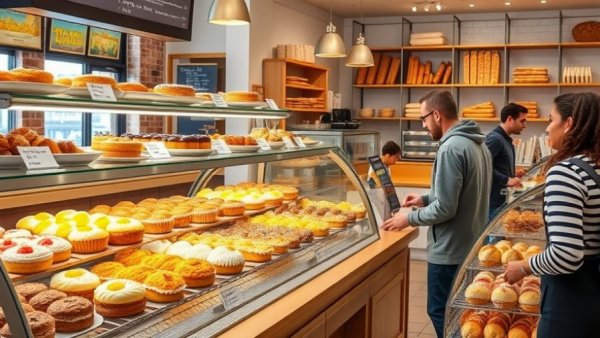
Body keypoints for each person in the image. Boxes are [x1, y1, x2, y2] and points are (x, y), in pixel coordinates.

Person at [382, 90, 492, 338]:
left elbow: (445, 208)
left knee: (441, 311)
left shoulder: (450, 148)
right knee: (462, 313)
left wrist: (407, 218)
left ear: (437, 114)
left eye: (423, 119)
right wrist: (424, 199)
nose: (422, 125)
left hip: (450, 251)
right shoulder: (477, 143)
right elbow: (463, 192)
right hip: (470, 245)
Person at [506, 92, 600, 337]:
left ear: (568, 124)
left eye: (551, 119)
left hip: (571, 304)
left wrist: (524, 266)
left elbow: (567, 255)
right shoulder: (596, 166)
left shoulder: (566, 173)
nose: (547, 128)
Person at [486, 103, 528, 219]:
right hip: (493, 204)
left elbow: (496, 165)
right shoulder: (495, 139)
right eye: (522, 121)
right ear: (510, 119)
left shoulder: (505, 139)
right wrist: (506, 179)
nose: (525, 125)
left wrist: (512, 173)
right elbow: (483, 167)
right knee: (494, 237)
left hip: (501, 202)